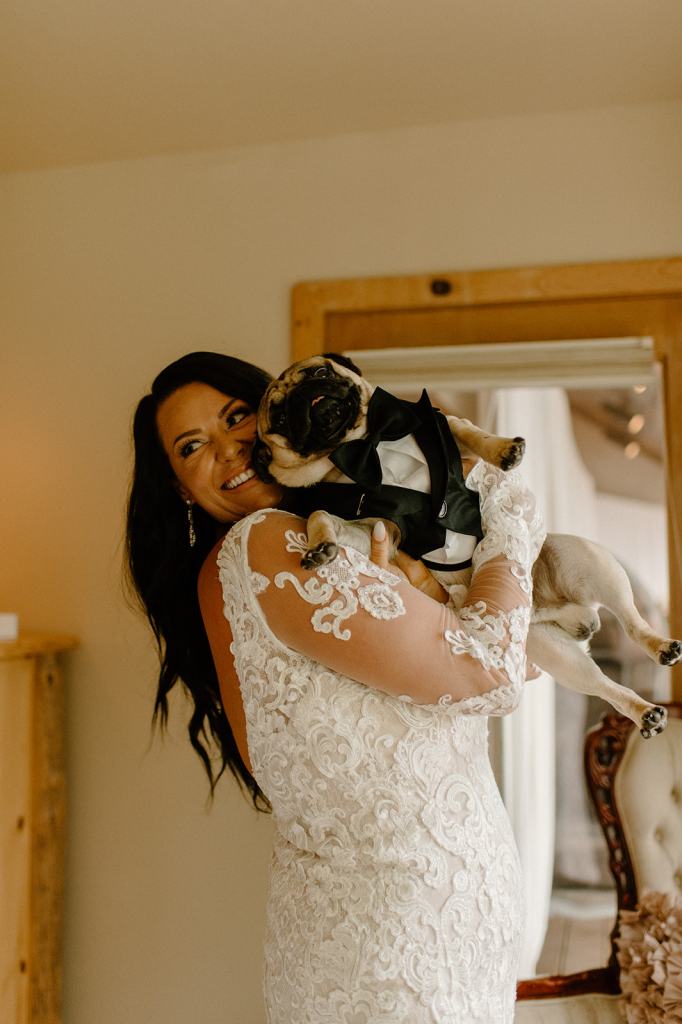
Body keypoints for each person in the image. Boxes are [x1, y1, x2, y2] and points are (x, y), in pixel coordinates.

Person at [126, 350, 546, 1024]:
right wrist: (507, 507)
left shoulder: (330, 543)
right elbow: (492, 670)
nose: (230, 447)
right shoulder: (266, 544)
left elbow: (517, 660)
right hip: (400, 957)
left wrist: (438, 586)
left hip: (436, 934)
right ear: (179, 487)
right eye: (192, 447)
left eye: (236, 417)